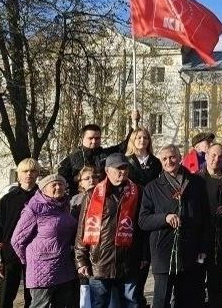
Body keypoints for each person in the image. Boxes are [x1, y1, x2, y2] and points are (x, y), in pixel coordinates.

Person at [139, 145, 210, 308]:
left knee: (186, 300)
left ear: (179, 158)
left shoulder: (196, 183)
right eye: (164, 159)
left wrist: (202, 247)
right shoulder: (152, 187)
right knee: (161, 300)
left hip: (190, 251)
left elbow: (205, 217)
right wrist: (164, 218)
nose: (169, 161)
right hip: (164, 252)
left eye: (172, 157)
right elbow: (143, 220)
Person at [74, 153, 143, 308]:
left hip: (128, 262)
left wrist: (143, 255)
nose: (122, 172)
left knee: (131, 303)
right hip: (99, 263)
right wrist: (81, 260)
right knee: (99, 304)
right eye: (118, 168)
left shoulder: (138, 191)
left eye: (125, 168)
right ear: (107, 170)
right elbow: (82, 229)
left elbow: (141, 228)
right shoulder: (92, 195)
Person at [11, 174, 78, 307]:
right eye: (53, 185)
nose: (58, 187)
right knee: (41, 305)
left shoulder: (65, 205)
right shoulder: (34, 207)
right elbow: (17, 240)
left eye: (61, 184)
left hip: (63, 266)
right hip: (42, 269)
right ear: (43, 189)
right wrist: (29, 260)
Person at [0, 158, 39, 308]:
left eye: (32, 171)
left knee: (32, 297)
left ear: (37, 174)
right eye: (25, 171)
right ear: (18, 175)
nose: (29, 174)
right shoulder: (7, 200)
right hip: (10, 255)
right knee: (6, 296)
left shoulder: (43, 198)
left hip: (35, 254)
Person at [124, 127, 161, 306]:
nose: (142, 140)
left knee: (146, 254)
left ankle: (139, 295)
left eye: (145, 137)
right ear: (132, 139)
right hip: (131, 210)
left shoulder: (156, 163)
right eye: (138, 137)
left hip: (150, 210)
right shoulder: (127, 161)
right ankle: (133, 297)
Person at [58, 112, 138, 192]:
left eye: (97, 138)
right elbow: (61, 179)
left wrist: (134, 124)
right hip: (80, 198)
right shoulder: (73, 158)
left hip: (103, 195)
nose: (94, 141)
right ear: (82, 139)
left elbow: (124, 146)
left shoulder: (105, 154)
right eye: (90, 138)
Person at [197, 144, 222, 308]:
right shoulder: (195, 180)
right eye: (213, 155)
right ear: (206, 156)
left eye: (221, 156)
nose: (216, 159)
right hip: (198, 243)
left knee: (217, 289)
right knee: (196, 288)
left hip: (219, 243)